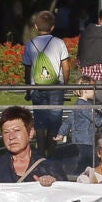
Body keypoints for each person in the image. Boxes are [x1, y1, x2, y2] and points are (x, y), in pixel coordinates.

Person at [25, 10, 69, 141]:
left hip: (37, 87)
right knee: (55, 121)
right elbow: (66, 67)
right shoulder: (59, 43)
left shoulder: (30, 45)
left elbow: (27, 70)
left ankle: (41, 152)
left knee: (39, 122)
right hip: (56, 88)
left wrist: (28, 90)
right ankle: (52, 152)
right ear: (53, 27)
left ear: (36, 27)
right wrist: (65, 86)